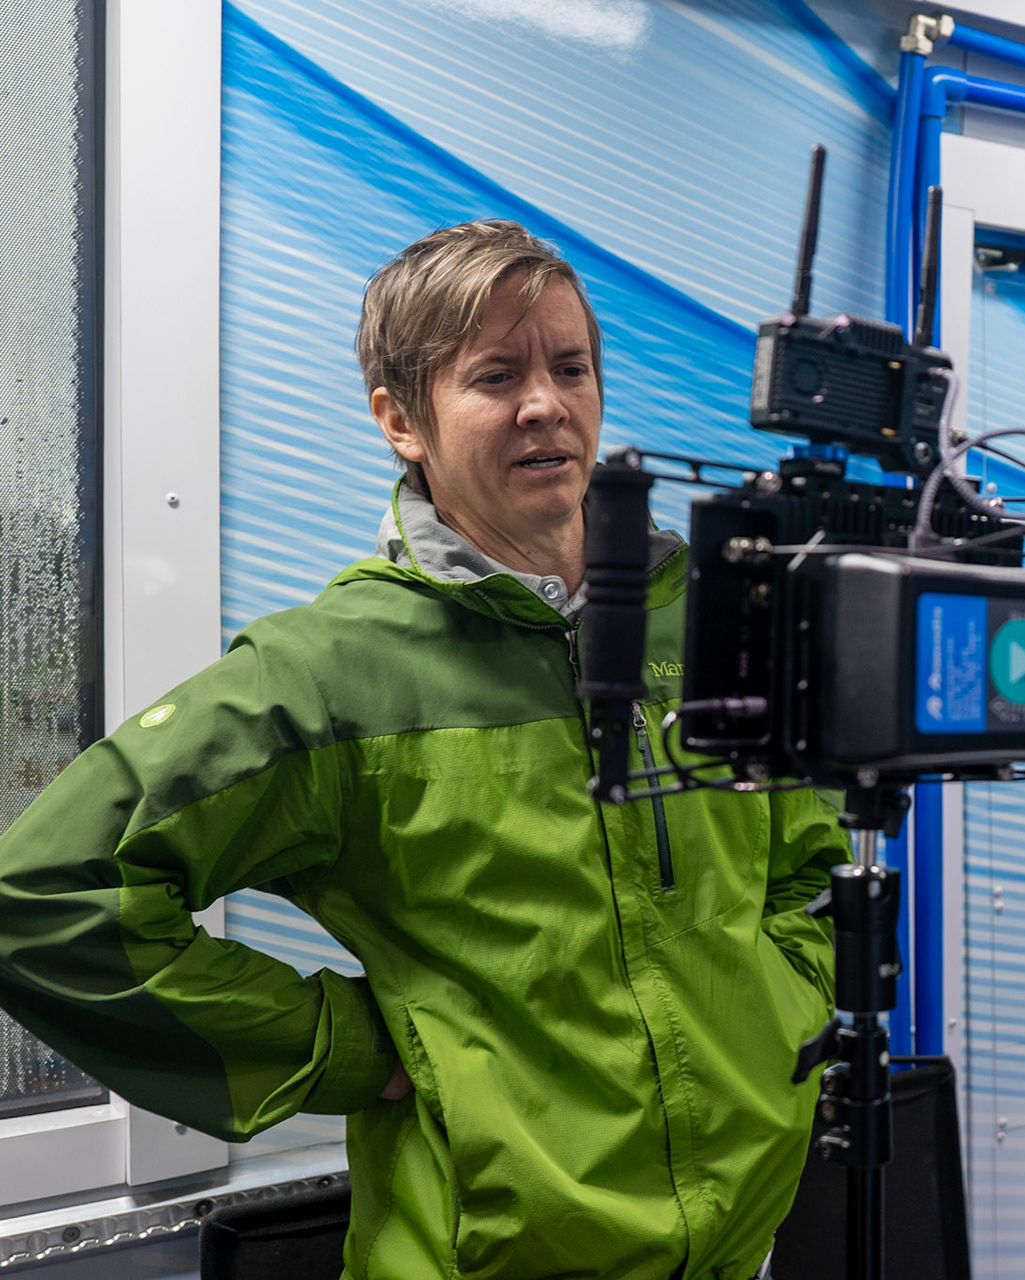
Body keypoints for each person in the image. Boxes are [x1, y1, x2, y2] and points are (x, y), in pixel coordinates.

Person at [0, 220, 849, 1280]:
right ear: (401, 420)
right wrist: (345, 1047)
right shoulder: (335, 671)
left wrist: (784, 1002)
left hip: (741, 1251)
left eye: (570, 367)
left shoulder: (716, 621)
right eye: (495, 375)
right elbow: (44, 896)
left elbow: (807, 865)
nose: (546, 404)